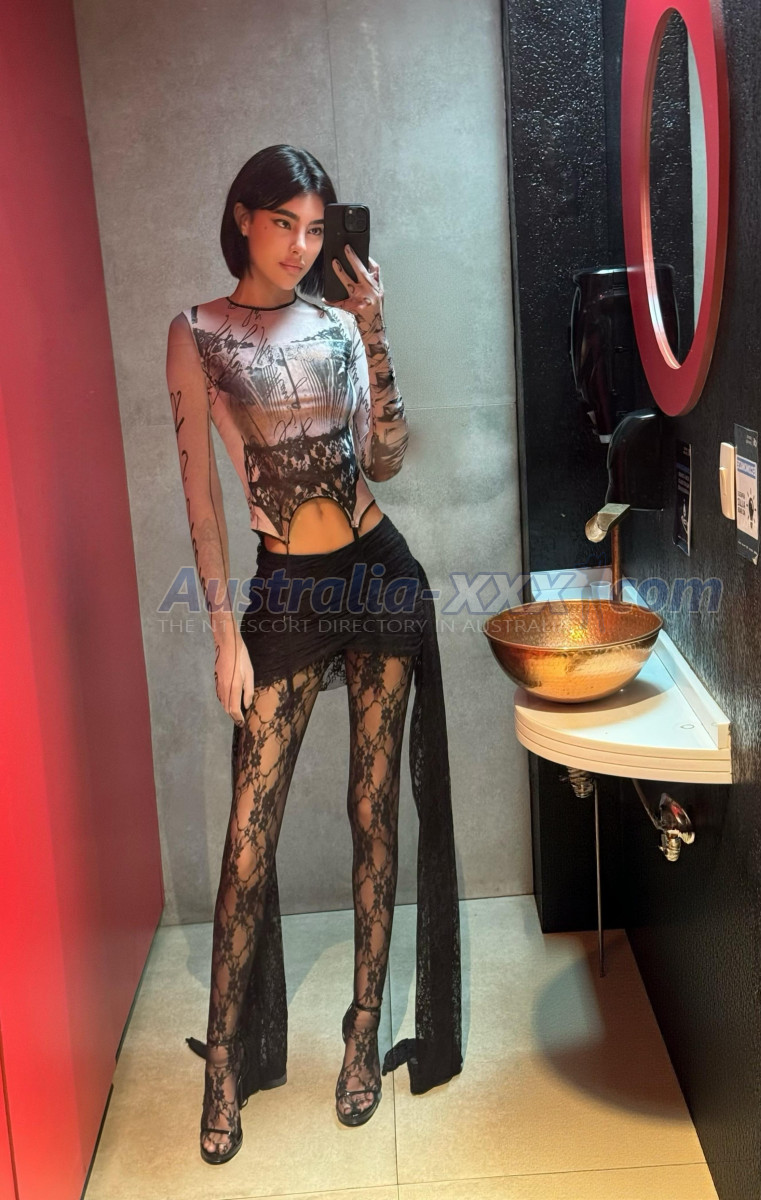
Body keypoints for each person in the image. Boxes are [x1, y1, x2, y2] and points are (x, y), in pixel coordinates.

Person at [165, 145, 462, 1165]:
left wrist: (374, 332)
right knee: (250, 842)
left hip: (378, 572)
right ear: (242, 219)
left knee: (373, 810)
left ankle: (361, 1032)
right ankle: (223, 1065)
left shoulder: (336, 324)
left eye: (317, 229)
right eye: (283, 223)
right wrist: (223, 636)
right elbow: (204, 503)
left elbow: (386, 459)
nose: (301, 246)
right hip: (287, 589)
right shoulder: (198, 334)